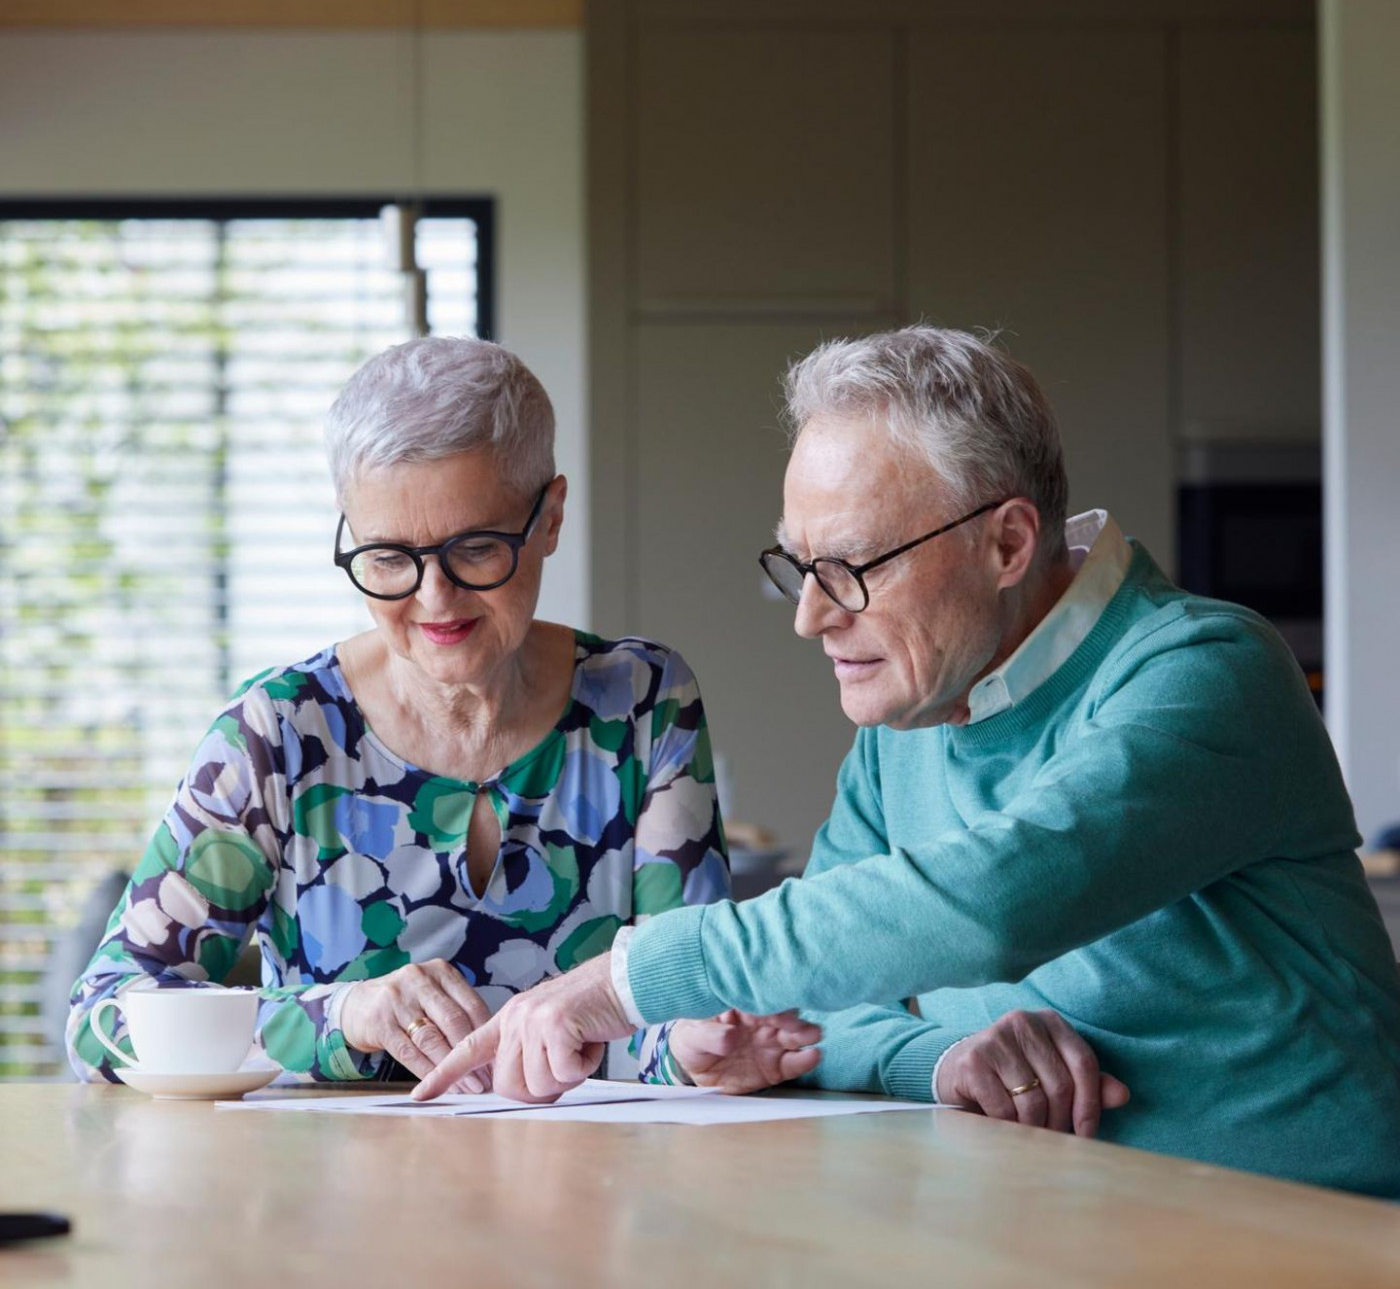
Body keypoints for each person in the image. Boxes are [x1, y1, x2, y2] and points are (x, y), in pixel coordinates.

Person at [417, 326, 1400, 1198]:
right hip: (1070, 1221)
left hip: (1312, 1229)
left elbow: (988, 902)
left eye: (850, 567)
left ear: (1006, 542)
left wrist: (626, 978)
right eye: (797, 568)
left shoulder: (1201, 670)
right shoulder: (909, 722)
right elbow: (804, 1009)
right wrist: (943, 1056)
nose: (810, 615)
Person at [67, 335, 776, 1087]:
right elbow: (101, 1017)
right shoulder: (280, 733)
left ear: (551, 518)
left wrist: (697, 1050)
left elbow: (677, 1000)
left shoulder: (642, 701)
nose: (433, 598)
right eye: (388, 558)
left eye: (475, 548)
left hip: (587, 1180)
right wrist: (340, 1018)